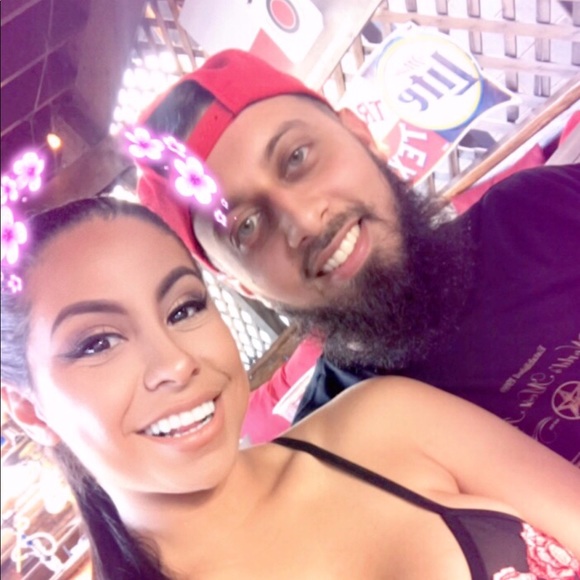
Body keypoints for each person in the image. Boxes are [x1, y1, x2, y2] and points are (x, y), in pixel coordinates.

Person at [1, 196, 579, 580]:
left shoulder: (387, 419)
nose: (175, 363)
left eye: (184, 308)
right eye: (98, 343)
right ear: (29, 410)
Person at [135, 49, 580, 463]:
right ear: (243, 285)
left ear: (361, 135)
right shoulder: (332, 462)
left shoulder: (538, 213)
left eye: (297, 157)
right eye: (246, 227)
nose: (305, 221)